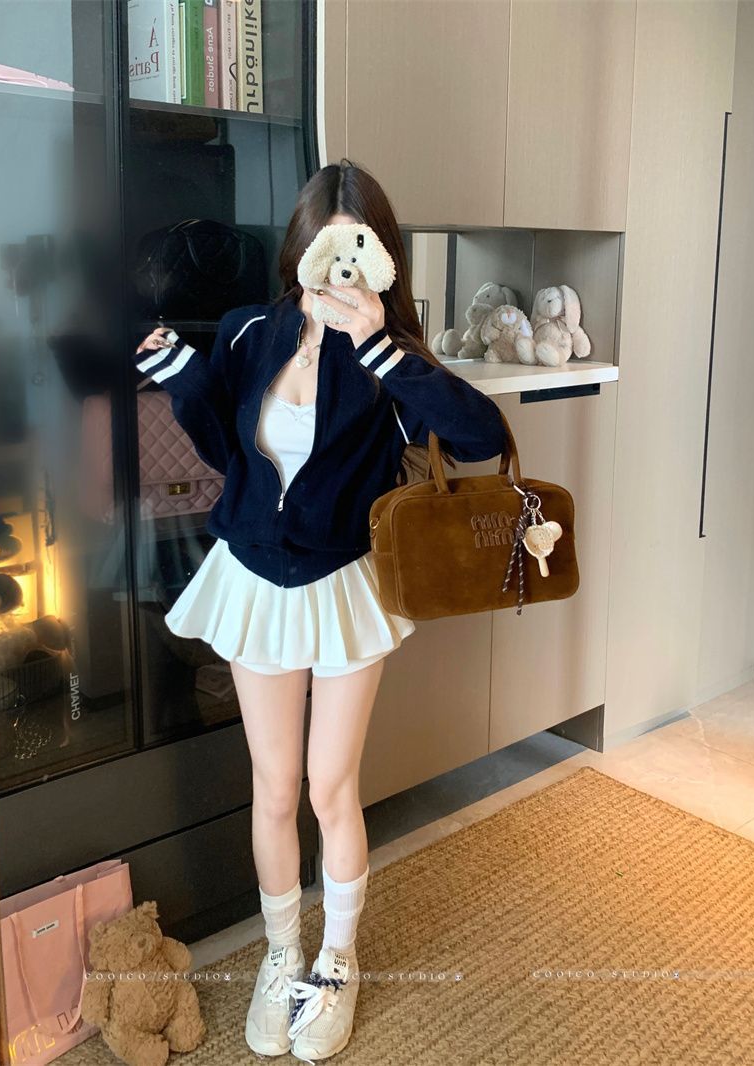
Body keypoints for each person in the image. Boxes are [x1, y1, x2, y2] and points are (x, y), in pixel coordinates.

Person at [134, 159, 507, 1063]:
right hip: (256, 581)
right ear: (299, 249)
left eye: (356, 251)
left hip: (344, 586)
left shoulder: (385, 355)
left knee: (328, 787)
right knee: (272, 788)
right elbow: (224, 449)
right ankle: (282, 955)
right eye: (322, 249)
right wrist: (183, 374)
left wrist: (381, 346)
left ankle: (336, 961)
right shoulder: (249, 331)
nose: (336, 269)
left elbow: (480, 437)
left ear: (378, 259)